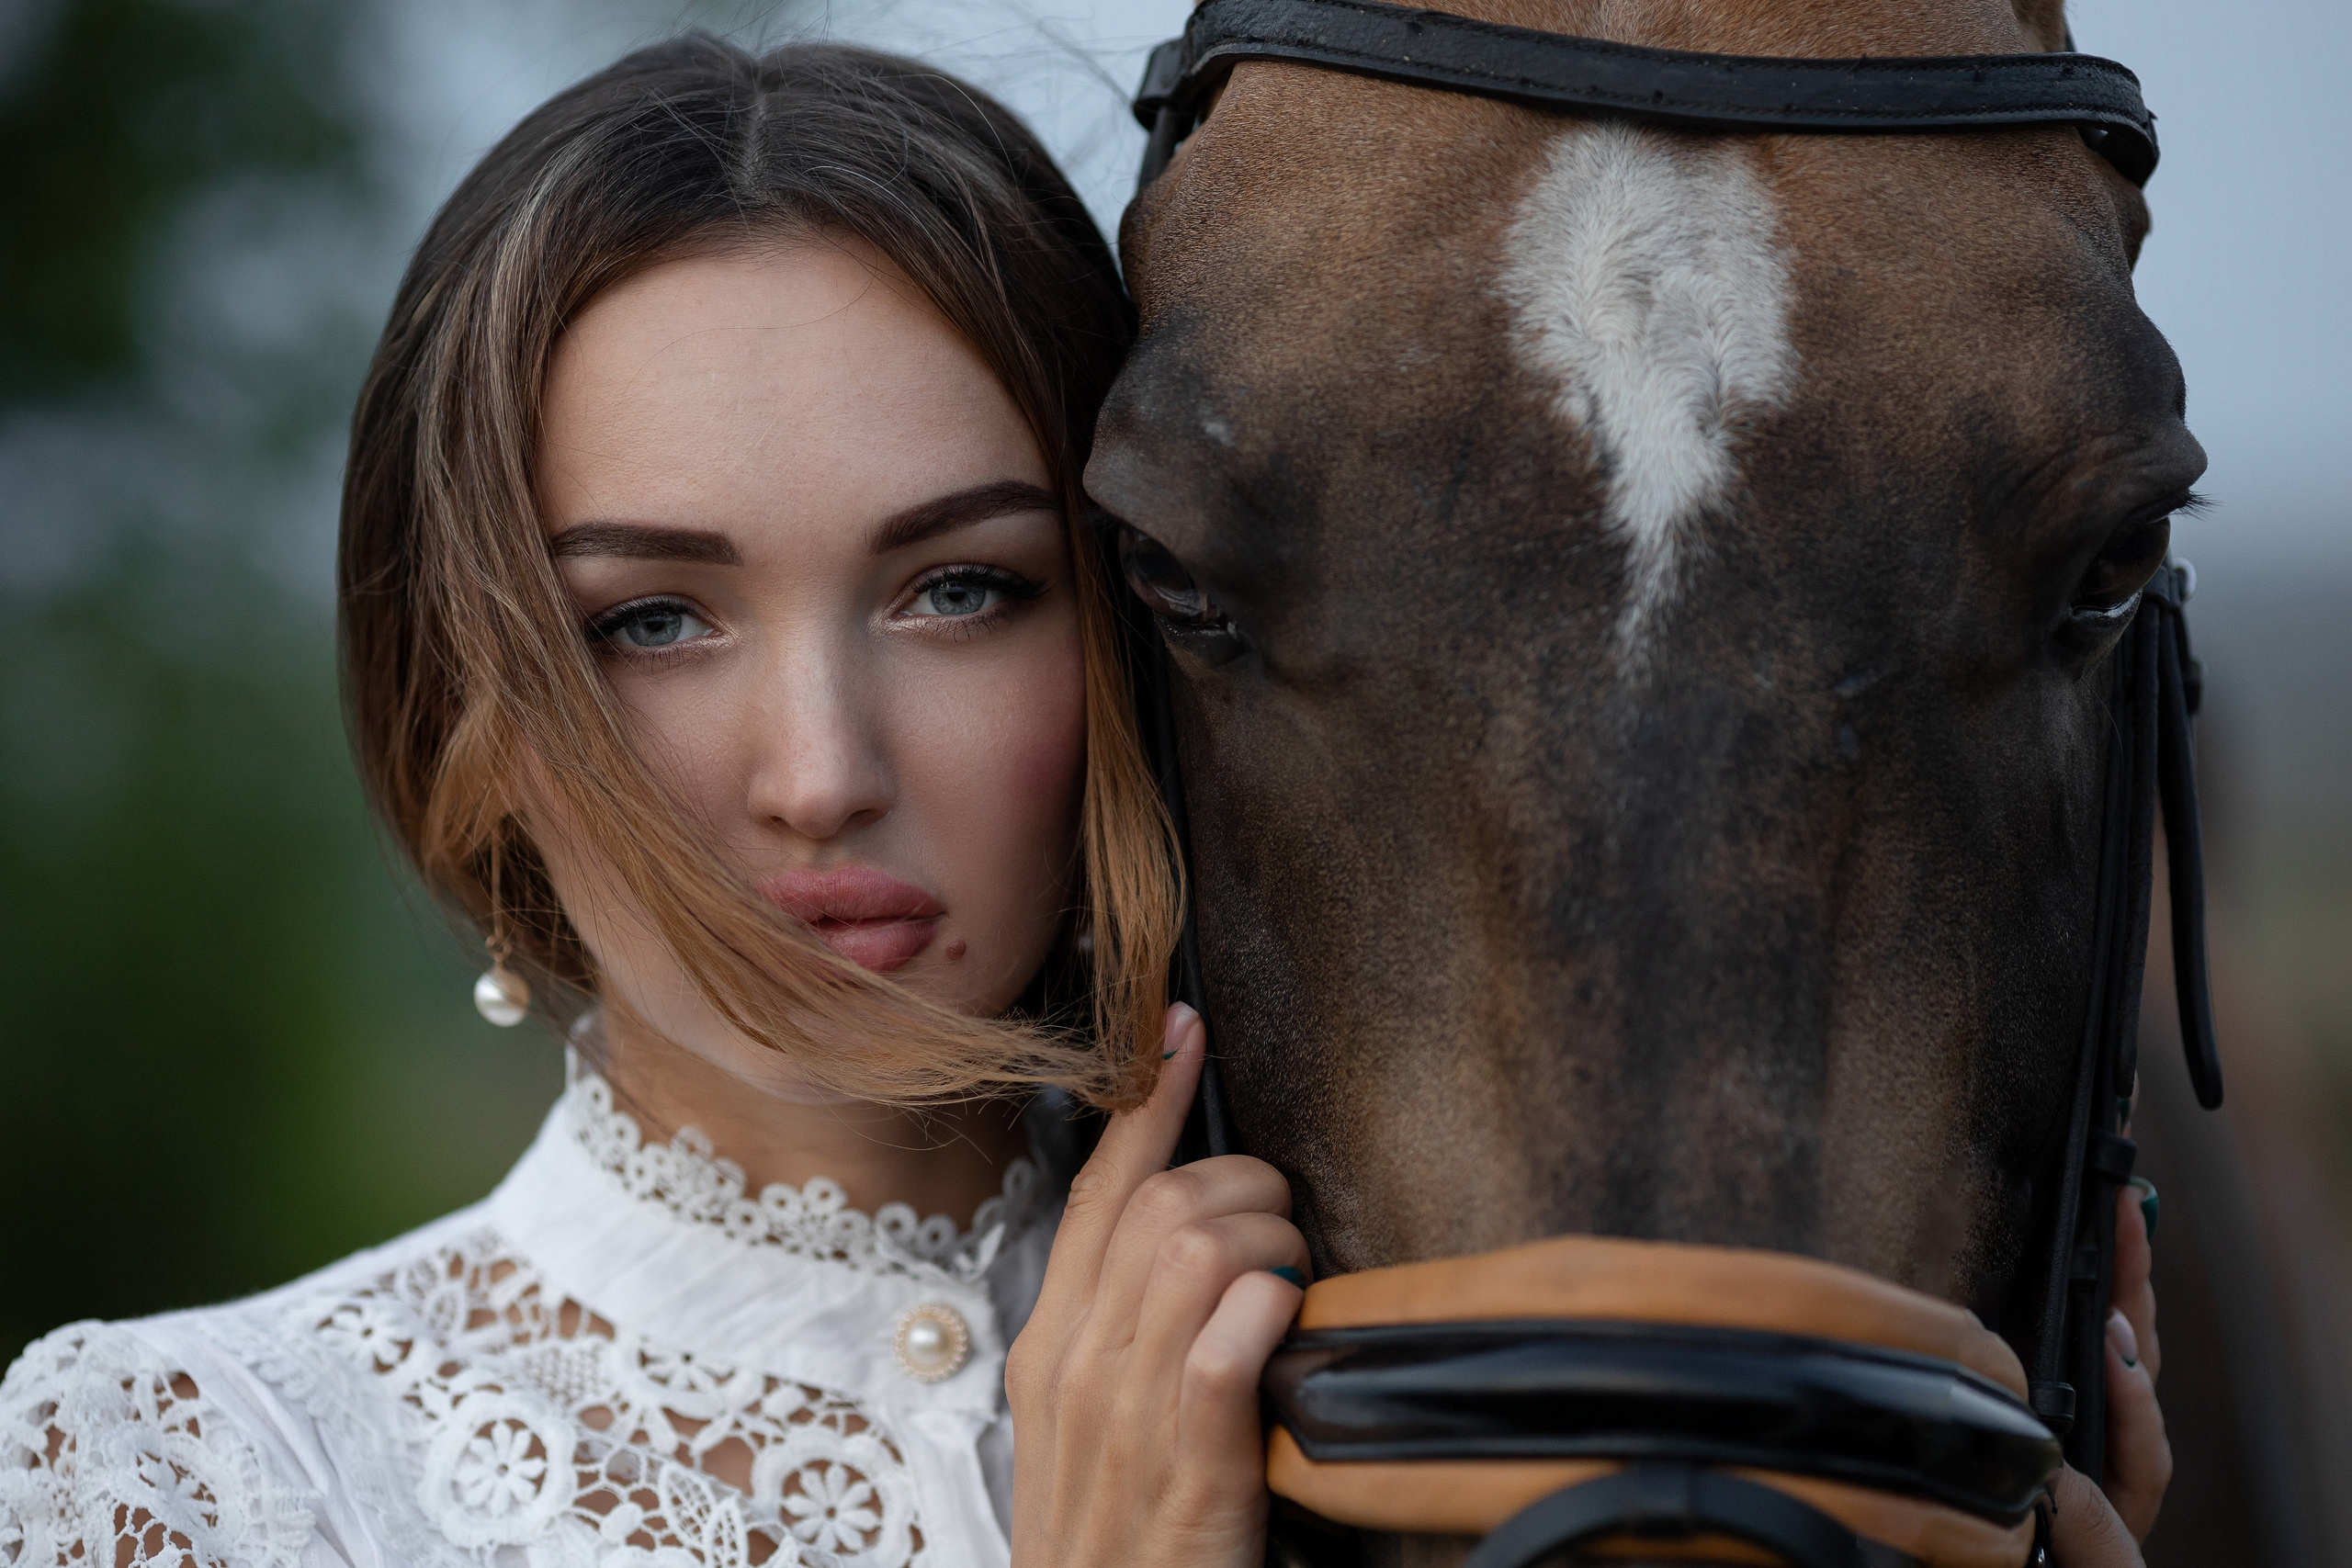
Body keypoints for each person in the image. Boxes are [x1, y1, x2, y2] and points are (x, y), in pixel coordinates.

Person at [0, 34, 2167, 1568]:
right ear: (467, 714)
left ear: (1136, 632)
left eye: (959, 588)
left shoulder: (1465, 1379)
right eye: (651, 619)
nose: (822, 771)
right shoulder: (178, 1474)